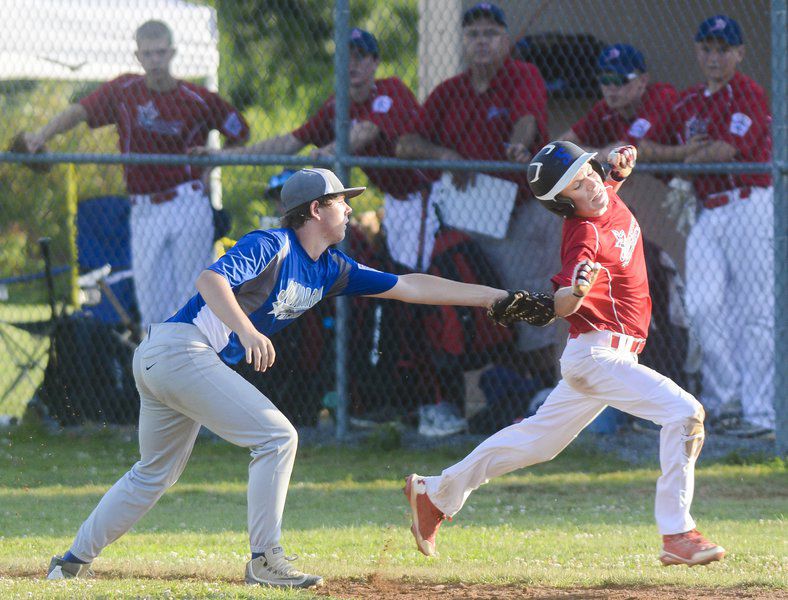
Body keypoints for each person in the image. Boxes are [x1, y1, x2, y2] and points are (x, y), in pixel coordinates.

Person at [45, 167, 509, 588]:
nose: (350, 209)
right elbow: (210, 280)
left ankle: (70, 561)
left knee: (153, 473)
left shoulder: (330, 267)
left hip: (170, 359)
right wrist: (247, 332)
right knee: (278, 437)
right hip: (177, 351)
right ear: (314, 209)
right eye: (340, 201)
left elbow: (409, 285)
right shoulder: (272, 244)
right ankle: (265, 560)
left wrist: (492, 297)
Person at [403, 141, 726, 568]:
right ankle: (677, 532)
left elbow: (609, 175)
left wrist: (619, 164)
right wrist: (576, 290)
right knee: (685, 414)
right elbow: (560, 306)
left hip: (605, 358)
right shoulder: (583, 237)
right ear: (562, 204)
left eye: (587, 172)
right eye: (576, 184)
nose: (589, 184)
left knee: (537, 443)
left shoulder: (603, 191)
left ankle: (436, 493)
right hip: (598, 356)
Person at [20, 20, 250, 329]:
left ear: (172, 53)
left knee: (191, 302)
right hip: (143, 209)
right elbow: (80, 111)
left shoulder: (196, 98)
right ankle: (156, 375)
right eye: (148, 54)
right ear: (137, 56)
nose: (155, 60)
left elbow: (240, 131)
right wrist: (42, 135)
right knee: (151, 308)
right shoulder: (124, 90)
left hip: (187, 202)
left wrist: (215, 162)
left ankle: (192, 370)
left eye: (160, 53)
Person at [396, 2, 559, 390]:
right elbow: (406, 143)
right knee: (486, 311)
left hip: (522, 214)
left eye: (490, 33)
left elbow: (527, 119)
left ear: (504, 39)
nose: (481, 41)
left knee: (529, 308)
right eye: (473, 34)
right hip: (469, 223)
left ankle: (541, 398)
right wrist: (447, 156)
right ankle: (502, 399)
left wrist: (519, 148)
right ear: (463, 42)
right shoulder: (450, 91)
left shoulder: (522, 75)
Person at [637, 15, 774, 438]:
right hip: (707, 210)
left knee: (755, 311)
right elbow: (644, 148)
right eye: (708, 49)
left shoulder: (747, 92)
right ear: (698, 52)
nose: (714, 57)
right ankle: (724, 399)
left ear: (739, 53)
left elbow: (725, 150)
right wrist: (683, 153)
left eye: (723, 49)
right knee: (701, 305)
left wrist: (682, 157)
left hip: (748, 203)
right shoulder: (688, 101)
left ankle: (760, 414)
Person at [209, 28, 438, 274]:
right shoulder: (337, 105)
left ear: (375, 62)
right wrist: (221, 156)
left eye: (359, 56)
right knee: (402, 270)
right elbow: (290, 142)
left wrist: (329, 150)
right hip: (395, 199)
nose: (352, 65)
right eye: (345, 58)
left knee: (418, 271)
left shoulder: (391, 89)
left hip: (428, 193)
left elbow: (366, 131)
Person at [559, 44, 677, 158]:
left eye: (619, 80)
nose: (611, 87)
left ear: (642, 80)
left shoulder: (661, 96)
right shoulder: (606, 108)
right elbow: (561, 145)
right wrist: (602, 154)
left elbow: (628, 150)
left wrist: (594, 155)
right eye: (605, 80)